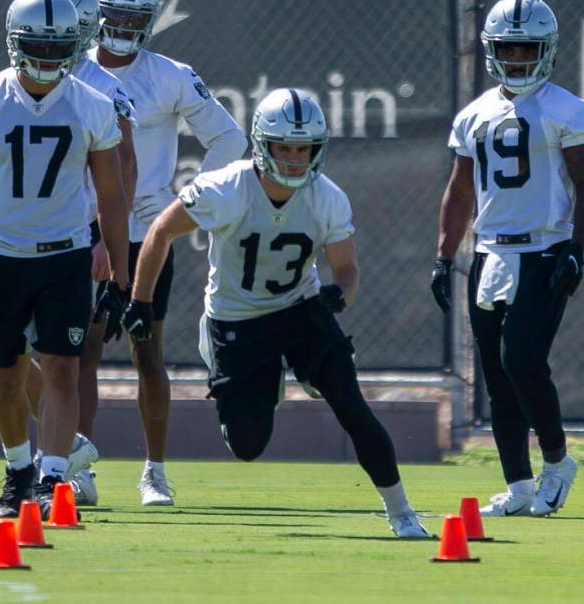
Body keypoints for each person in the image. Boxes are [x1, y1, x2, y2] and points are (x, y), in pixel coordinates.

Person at [122, 88, 429, 538]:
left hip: (298, 311)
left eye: (302, 149)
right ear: (262, 145)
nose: (292, 159)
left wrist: (340, 295)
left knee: (352, 405)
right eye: (283, 147)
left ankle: (402, 512)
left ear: (317, 150)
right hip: (237, 322)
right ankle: (269, 380)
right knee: (247, 444)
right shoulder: (228, 187)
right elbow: (160, 231)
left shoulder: (327, 197)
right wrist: (140, 302)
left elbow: (347, 269)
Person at [0, 0, 138, 512]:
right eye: (37, 45)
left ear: (73, 46)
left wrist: (120, 275)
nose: (46, 57)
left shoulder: (92, 104)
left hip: (65, 253)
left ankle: (50, 478)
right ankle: (17, 472)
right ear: (14, 42)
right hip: (5, 254)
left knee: (63, 365)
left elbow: (112, 198)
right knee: (7, 371)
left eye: (56, 47)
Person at [430, 0, 584, 517]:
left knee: (522, 360)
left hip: (544, 250)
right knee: (497, 378)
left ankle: (557, 462)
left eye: (528, 48)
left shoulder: (568, 110)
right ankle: (520, 486)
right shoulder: (474, 114)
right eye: (509, 48)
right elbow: (459, 191)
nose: (518, 59)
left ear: (547, 50)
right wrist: (443, 256)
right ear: (492, 51)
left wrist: (576, 246)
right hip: (489, 254)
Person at [89, 0, 247, 506]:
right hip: (85, 234)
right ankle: (73, 468)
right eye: (117, 13)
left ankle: (154, 471)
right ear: (97, 14)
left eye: (137, 16)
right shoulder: (74, 71)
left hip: (145, 238)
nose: (127, 25)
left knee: (147, 351)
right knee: (78, 353)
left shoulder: (170, 74)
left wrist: (187, 202)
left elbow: (228, 139)